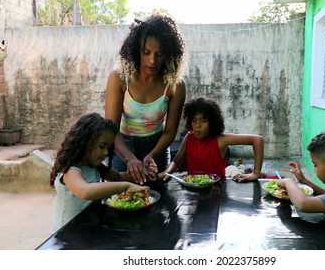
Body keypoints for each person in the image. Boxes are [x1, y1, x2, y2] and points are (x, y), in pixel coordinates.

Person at [105, 13, 186, 185]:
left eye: (160, 54)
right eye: (146, 52)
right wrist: (130, 160)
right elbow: (110, 128)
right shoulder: (119, 78)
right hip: (122, 150)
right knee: (120, 202)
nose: (152, 61)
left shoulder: (175, 86)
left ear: (170, 54)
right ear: (136, 49)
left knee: (159, 202)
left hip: (157, 151)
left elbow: (170, 132)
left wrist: (152, 155)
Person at [50, 112, 149, 233]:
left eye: (108, 147)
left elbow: (118, 176)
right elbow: (84, 191)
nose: (106, 152)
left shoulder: (94, 166)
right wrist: (127, 186)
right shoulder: (71, 171)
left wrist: (146, 174)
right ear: (85, 142)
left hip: (87, 227)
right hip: (66, 234)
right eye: (102, 146)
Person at [158, 96, 264, 182]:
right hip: (193, 192)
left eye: (203, 120)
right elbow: (176, 162)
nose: (197, 125)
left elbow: (257, 140)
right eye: (194, 120)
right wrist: (166, 173)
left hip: (218, 193)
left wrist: (255, 173)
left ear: (212, 122)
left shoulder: (221, 140)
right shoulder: (190, 137)